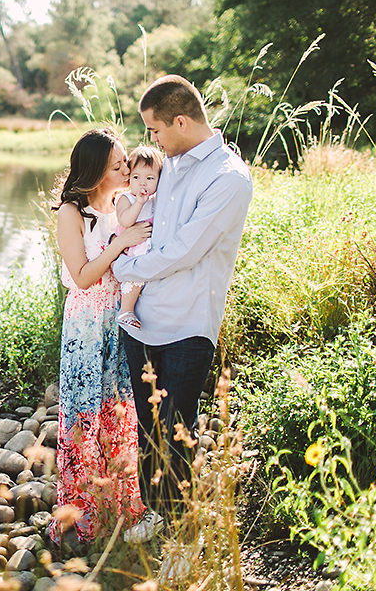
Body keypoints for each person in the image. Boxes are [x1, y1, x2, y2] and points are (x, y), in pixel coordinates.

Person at [113, 75, 253, 548]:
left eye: (155, 130)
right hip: (143, 318)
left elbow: (185, 251)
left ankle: (182, 534)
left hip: (189, 322)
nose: (151, 140)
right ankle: (156, 513)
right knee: (147, 425)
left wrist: (122, 263)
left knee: (177, 428)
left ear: (180, 120)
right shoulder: (167, 163)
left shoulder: (227, 177)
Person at [47, 128, 152, 547]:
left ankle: (121, 508)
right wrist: (121, 243)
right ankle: (81, 515)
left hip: (119, 320)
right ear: (96, 172)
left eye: (126, 161)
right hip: (87, 324)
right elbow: (83, 277)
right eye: (118, 165)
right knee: (84, 415)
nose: (127, 169)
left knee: (119, 412)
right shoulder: (70, 213)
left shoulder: (125, 206)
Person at [114, 146, 164, 329]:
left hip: (148, 245)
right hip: (133, 248)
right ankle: (125, 311)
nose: (142, 184)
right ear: (129, 178)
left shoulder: (156, 199)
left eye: (149, 178)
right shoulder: (126, 198)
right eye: (136, 177)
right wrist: (139, 203)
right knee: (134, 277)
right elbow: (125, 220)